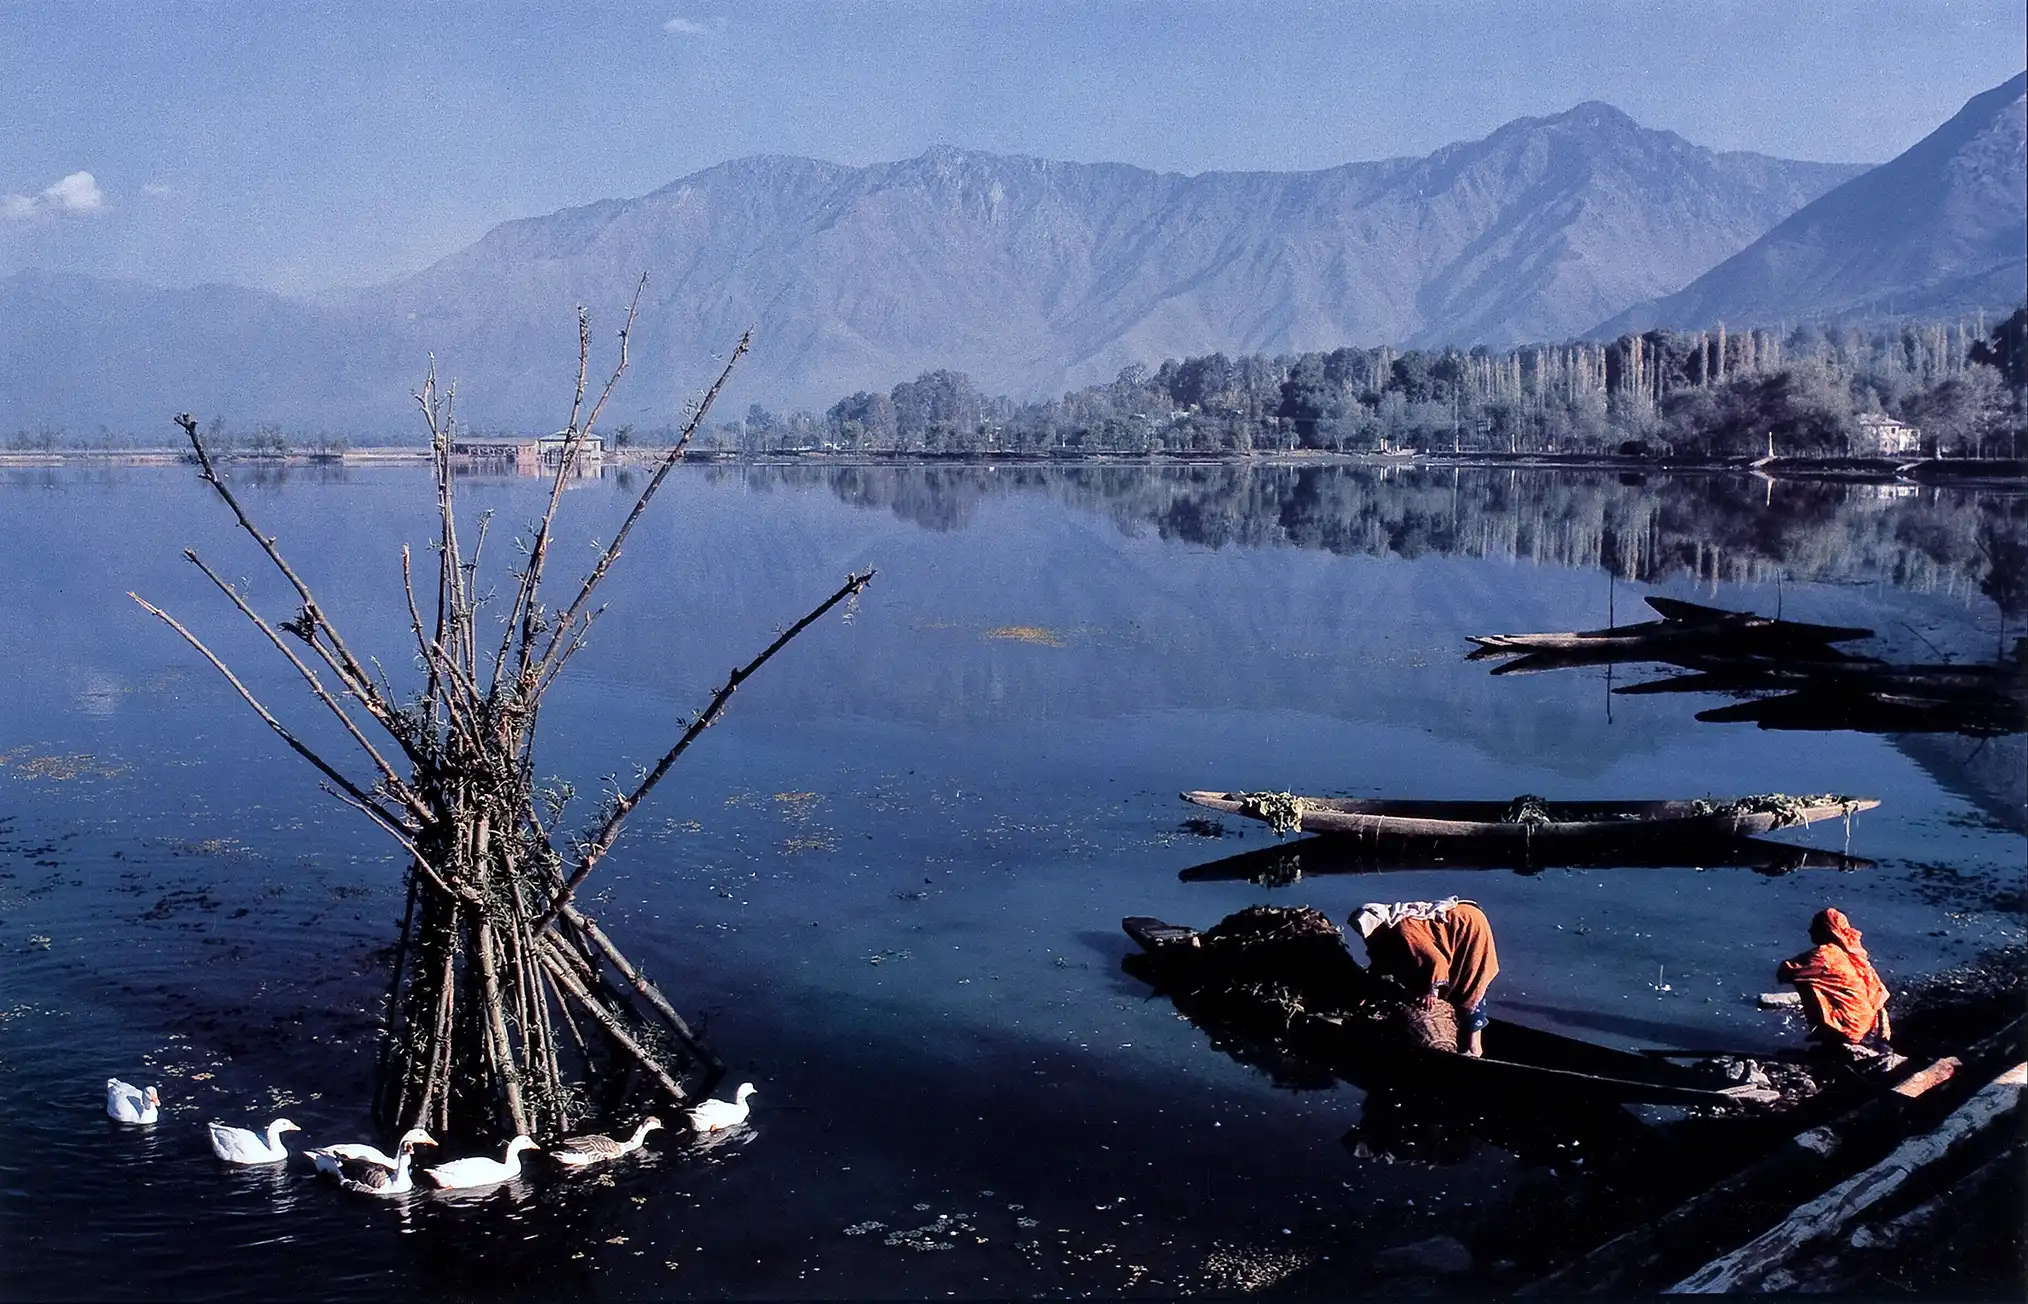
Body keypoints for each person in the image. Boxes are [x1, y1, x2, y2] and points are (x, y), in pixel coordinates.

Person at [1350, 897, 1498, 1056]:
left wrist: (1431, 993)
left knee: (1470, 990)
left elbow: (1436, 961)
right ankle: (1465, 1046)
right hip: (1461, 927)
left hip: (1469, 927)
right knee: (1458, 990)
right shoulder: (1388, 935)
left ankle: (1475, 1050)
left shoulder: (1404, 932)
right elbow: (1381, 964)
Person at [1776, 907, 1897, 1065]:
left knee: (1807, 982)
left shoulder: (1824, 955)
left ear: (1826, 930)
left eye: (1815, 927)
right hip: (1867, 1024)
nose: (1809, 931)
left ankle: (1833, 1040)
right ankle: (1836, 1041)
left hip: (1851, 1026)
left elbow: (1785, 972)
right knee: (1816, 980)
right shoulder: (1851, 953)